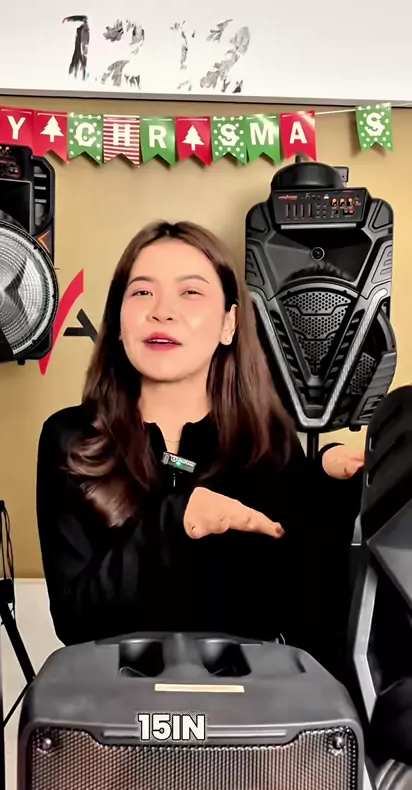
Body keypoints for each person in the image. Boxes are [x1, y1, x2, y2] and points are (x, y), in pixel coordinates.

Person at [36, 220, 364, 675]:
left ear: (229, 323)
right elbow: (75, 620)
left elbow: (302, 613)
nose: (162, 312)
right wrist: (175, 522)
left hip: (246, 703)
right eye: (142, 292)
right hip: (119, 701)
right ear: (118, 322)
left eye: (190, 292)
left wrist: (330, 490)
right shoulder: (71, 439)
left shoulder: (267, 441)